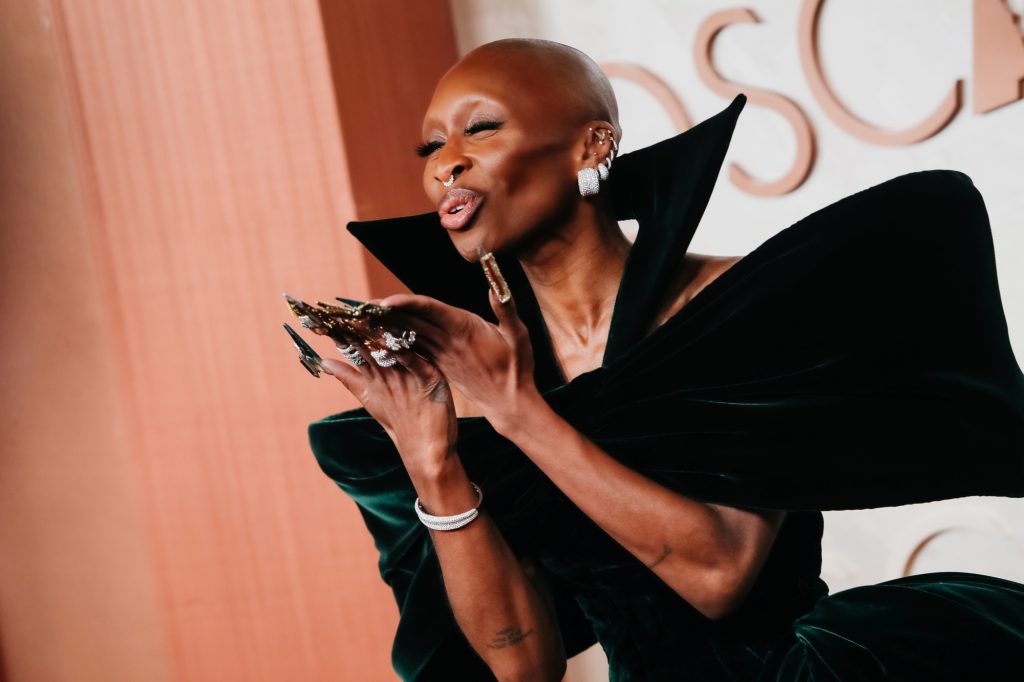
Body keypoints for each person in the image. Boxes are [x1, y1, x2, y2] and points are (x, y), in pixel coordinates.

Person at [307, 39, 1024, 681]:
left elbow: (720, 572)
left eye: (481, 127)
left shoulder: (739, 307)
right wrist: (434, 466)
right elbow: (522, 663)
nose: (446, 163)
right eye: (430, 147)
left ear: (592, 147)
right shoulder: (478, 383)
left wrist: (517, 411)